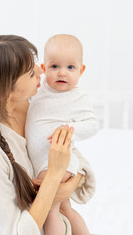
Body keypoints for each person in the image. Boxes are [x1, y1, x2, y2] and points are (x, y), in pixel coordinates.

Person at [0, 35, 96, 235]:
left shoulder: (30, 106)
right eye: (32, 72)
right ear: (7, 90)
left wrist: (69, 184)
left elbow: (70, 154)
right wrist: (54, 177)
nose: (42, 70)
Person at [26, 34, 99, 235]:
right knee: (65, 209)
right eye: (55, 66)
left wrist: (68, 130)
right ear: (44, 68)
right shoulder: (39, 90)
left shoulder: (77, 98)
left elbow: (93, 125)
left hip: (58, 161)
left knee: (50, 211)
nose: (62, 73)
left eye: (70, 67)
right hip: (43, 161)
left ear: (81, 70)